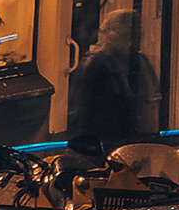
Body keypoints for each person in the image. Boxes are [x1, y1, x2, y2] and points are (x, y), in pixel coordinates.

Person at [68, 8, 162, 154]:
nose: (138, 36)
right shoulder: (98, 64)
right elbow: (83, 113)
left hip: (131, 142)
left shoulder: (138, 61)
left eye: (139, 31)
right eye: (133, 31)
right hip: (108, 144)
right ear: (116, 33)